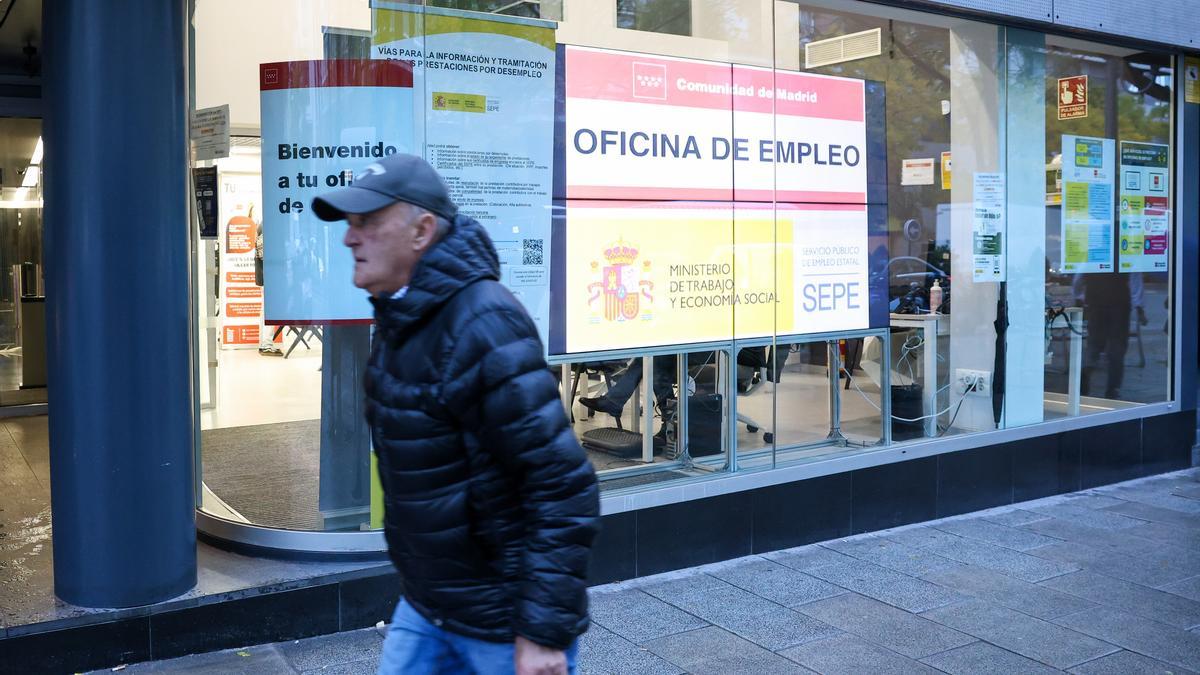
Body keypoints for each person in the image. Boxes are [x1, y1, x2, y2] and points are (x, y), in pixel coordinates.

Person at [312, 154, 600, 675]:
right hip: (429, 605)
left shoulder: (483, 325)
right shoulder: (404, 315)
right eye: (350, 224)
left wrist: (541, 632)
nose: (350, 239)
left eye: (368, 223)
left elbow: (562, 485)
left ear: (422, 231)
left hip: (500, 623)